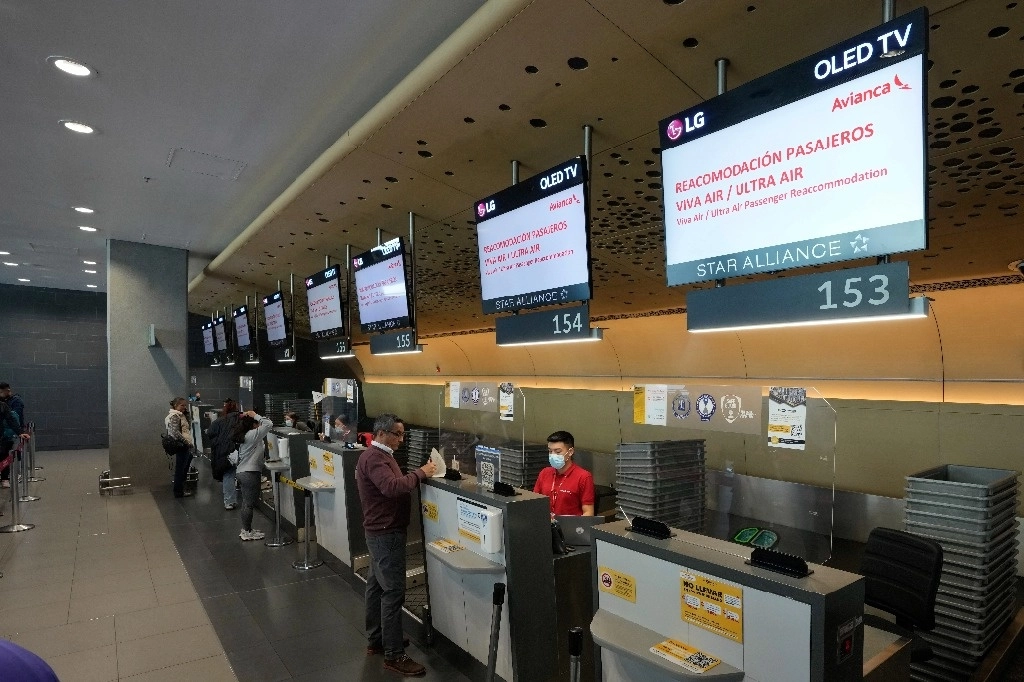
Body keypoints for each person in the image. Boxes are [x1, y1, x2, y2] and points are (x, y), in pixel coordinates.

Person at [355, 414, 436, 677]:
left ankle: (377, 639)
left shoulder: (375, 455)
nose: (401, 440)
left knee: (376, 587)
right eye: (397, 434)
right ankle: (394, 655)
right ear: (381, 433)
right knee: (393, 593)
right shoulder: (376, 458)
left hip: (380, 531)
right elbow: (391, 488)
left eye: (403, 435)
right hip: (386, 533)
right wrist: (420, 474)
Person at [230, 409, 273, 541]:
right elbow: (268, 424)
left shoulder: (247, 435)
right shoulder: (253, 434)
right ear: (253, 424)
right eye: (257, 423)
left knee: (246, 503)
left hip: (243, 472)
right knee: (248, 504)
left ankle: (247, 529)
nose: (259, 425)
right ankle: (246, 531)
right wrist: (256, 415)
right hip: (250, 473)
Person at [533, 430, 595, 517]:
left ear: (570, 452)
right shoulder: (544, 473)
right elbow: (534, 503)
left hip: (570, 527)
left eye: (558, 452)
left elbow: (588, 513)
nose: (553, 455)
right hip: (545, 525)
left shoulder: (583, 477)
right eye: (550, 451)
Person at [207, 399, 242, 510]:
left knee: (228, 474)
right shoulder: (241, 420)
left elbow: (210, 433)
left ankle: (229, 501)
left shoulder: (219, 421)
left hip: (224, 451)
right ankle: (249, 499)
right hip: (239, 449)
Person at [164, 397, 195, 498]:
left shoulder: (180, 415)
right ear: (175, 405)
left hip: (184, 445)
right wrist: (186, 442)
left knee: (183, 468)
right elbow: (175, 432)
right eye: (182, 405)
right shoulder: (174, 416)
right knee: (180, 469)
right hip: (181, 445)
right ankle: (179, 491)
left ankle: (180, 488)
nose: (184, 407)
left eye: (185, 405)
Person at [0, 382, 25, 487]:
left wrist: (19, 432)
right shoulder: (4, 403)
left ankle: (5, 478)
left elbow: (12, 419)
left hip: (5, 435)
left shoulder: (5, 404)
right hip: (5, 434)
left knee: (5, 454)